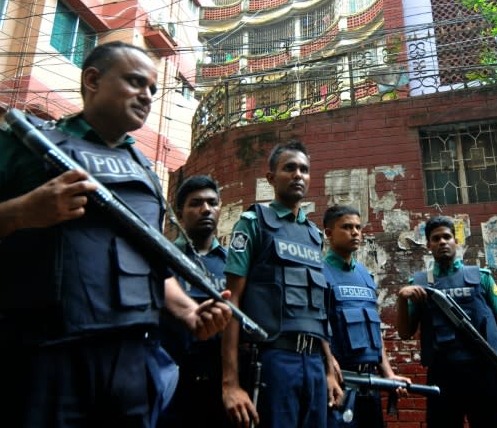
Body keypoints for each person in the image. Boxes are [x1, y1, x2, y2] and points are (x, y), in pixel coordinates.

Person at [0, 41, 232, 428]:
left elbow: (149, 265)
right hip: (40, 364)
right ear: (93, 80)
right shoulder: (30, 143)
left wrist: (188, 312)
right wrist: (22, 212)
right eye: (135, 82)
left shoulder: (147, 172)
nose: (147, 96)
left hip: (130, 370)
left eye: (152, 88)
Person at [221, 140, 342, 428]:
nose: (298, 174)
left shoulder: (314, 235)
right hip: (273, 361)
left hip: (313, 363)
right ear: (271, 178)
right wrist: (230, 384)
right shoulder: (252, 223)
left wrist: (327, 366)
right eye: (289, 168)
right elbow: (231, 303)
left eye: (304, 169)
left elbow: (316, 307)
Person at [396, 215, 497, 428]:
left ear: (456, 241)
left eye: (447, 237)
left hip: (484, 371)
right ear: (429, 245)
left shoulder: (482, 277)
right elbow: (405, 333)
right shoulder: (419, 284)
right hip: (443, 374)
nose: (442, 242)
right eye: (436, 238)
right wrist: (402, 299)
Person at [322, 204, 409, 428]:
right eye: (347, 227)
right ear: (329, 233)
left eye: (359, 227)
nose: (355, 232)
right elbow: (315, 327)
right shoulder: (319, 273)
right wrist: (327, 368)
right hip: (340, 383)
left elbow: (374, 329)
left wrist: (388, 373)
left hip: (370, 383)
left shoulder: (365, 275)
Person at [158, 175, 231, 428]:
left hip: (220, 383)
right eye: (196, 203)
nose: (206, 209)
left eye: (212, 202)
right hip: (173, 380)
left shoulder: (232, 264)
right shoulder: (163, 258)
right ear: (179, 214)